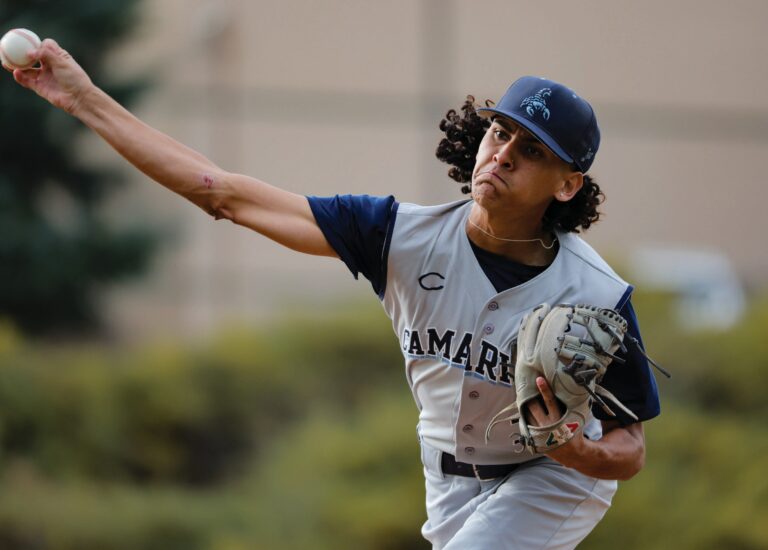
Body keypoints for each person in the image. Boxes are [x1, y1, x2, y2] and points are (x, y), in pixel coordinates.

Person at [7, 40, 660, 549]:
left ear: (567, 185)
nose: (504, 153)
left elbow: (629, 450)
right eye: (501, 132)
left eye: (533, 149)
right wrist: (85, 99)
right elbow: (223, 194)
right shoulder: (396, 235)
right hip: (447, 480)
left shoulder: (595, 294)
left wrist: (574, 449)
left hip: (553, 480)